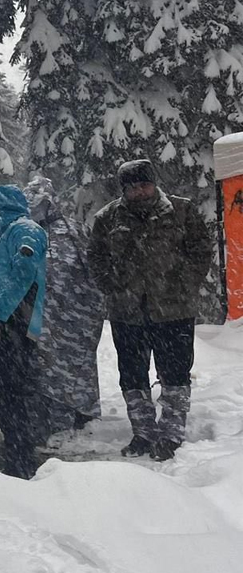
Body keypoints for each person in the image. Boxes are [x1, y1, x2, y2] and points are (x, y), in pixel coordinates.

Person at [88, 159, 213, 461]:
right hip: (127, 312)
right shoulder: (107, 219)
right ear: (124, 190)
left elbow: (201, 251)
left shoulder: (182, 211)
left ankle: (171, 434)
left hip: (174, 310)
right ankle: (143, 433)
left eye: (145, 185)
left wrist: (182, 284)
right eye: (132, 187)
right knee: (132, 376)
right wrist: (115, 287)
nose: (140, 192)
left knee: (175, 373)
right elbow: (96, 258)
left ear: (154, 183)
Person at [0, 177, 106, 437]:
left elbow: (87, 275)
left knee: (47, 373)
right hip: (20, 316)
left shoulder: (62, 231)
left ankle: (32, 436)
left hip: (56, 318)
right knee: (21, 375)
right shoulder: (16, 230)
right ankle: (25, 432)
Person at [0, 185, 48, 479]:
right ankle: (15, 449)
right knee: (6, 389)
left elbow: (23, 273)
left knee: (11, 390)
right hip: (7, 321)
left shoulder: (23, 230)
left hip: (13, 322)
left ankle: (20, 457)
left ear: (3, 204)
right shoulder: (8, 231)